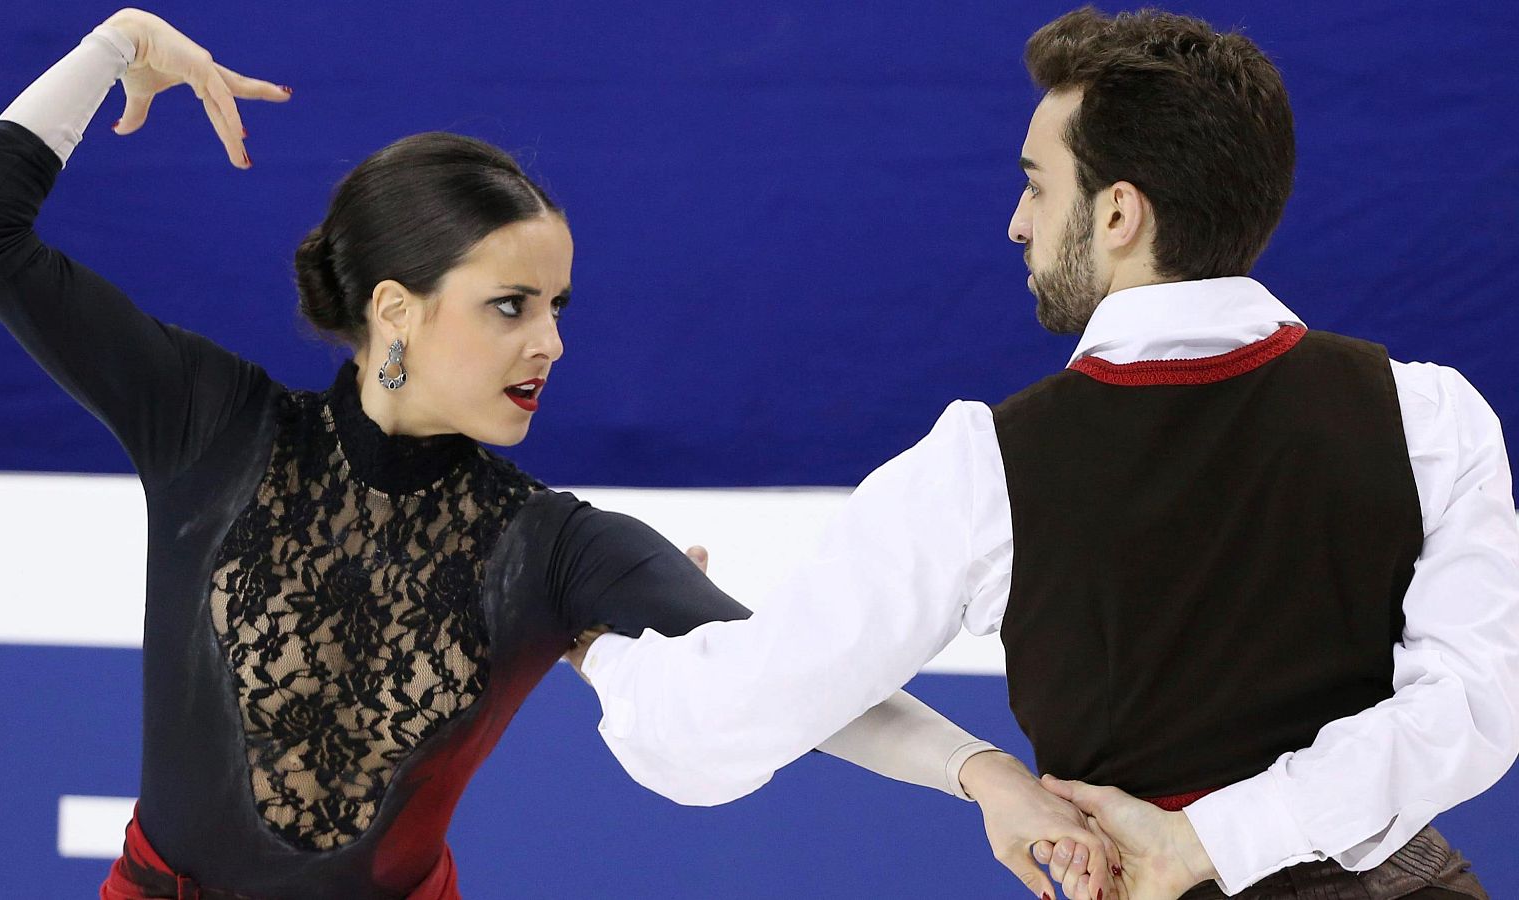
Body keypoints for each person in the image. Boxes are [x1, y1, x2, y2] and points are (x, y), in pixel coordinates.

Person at [0, 9, 1120, 899]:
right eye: (510, 305)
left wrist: (988, 780)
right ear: (396, 308)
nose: (548, 343)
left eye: (557, 307)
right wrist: (113, 46)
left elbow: (795, 678)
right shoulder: (210, 427)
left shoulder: (551, 544)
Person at [570, 7, 1519, 900]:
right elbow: (1472, 713)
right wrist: (1206, 837)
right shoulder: (1429, 415)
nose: (1018, 224)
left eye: (1035, 184)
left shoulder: (985, 472)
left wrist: (601, 644)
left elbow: (714, 732)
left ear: (1117, 215)